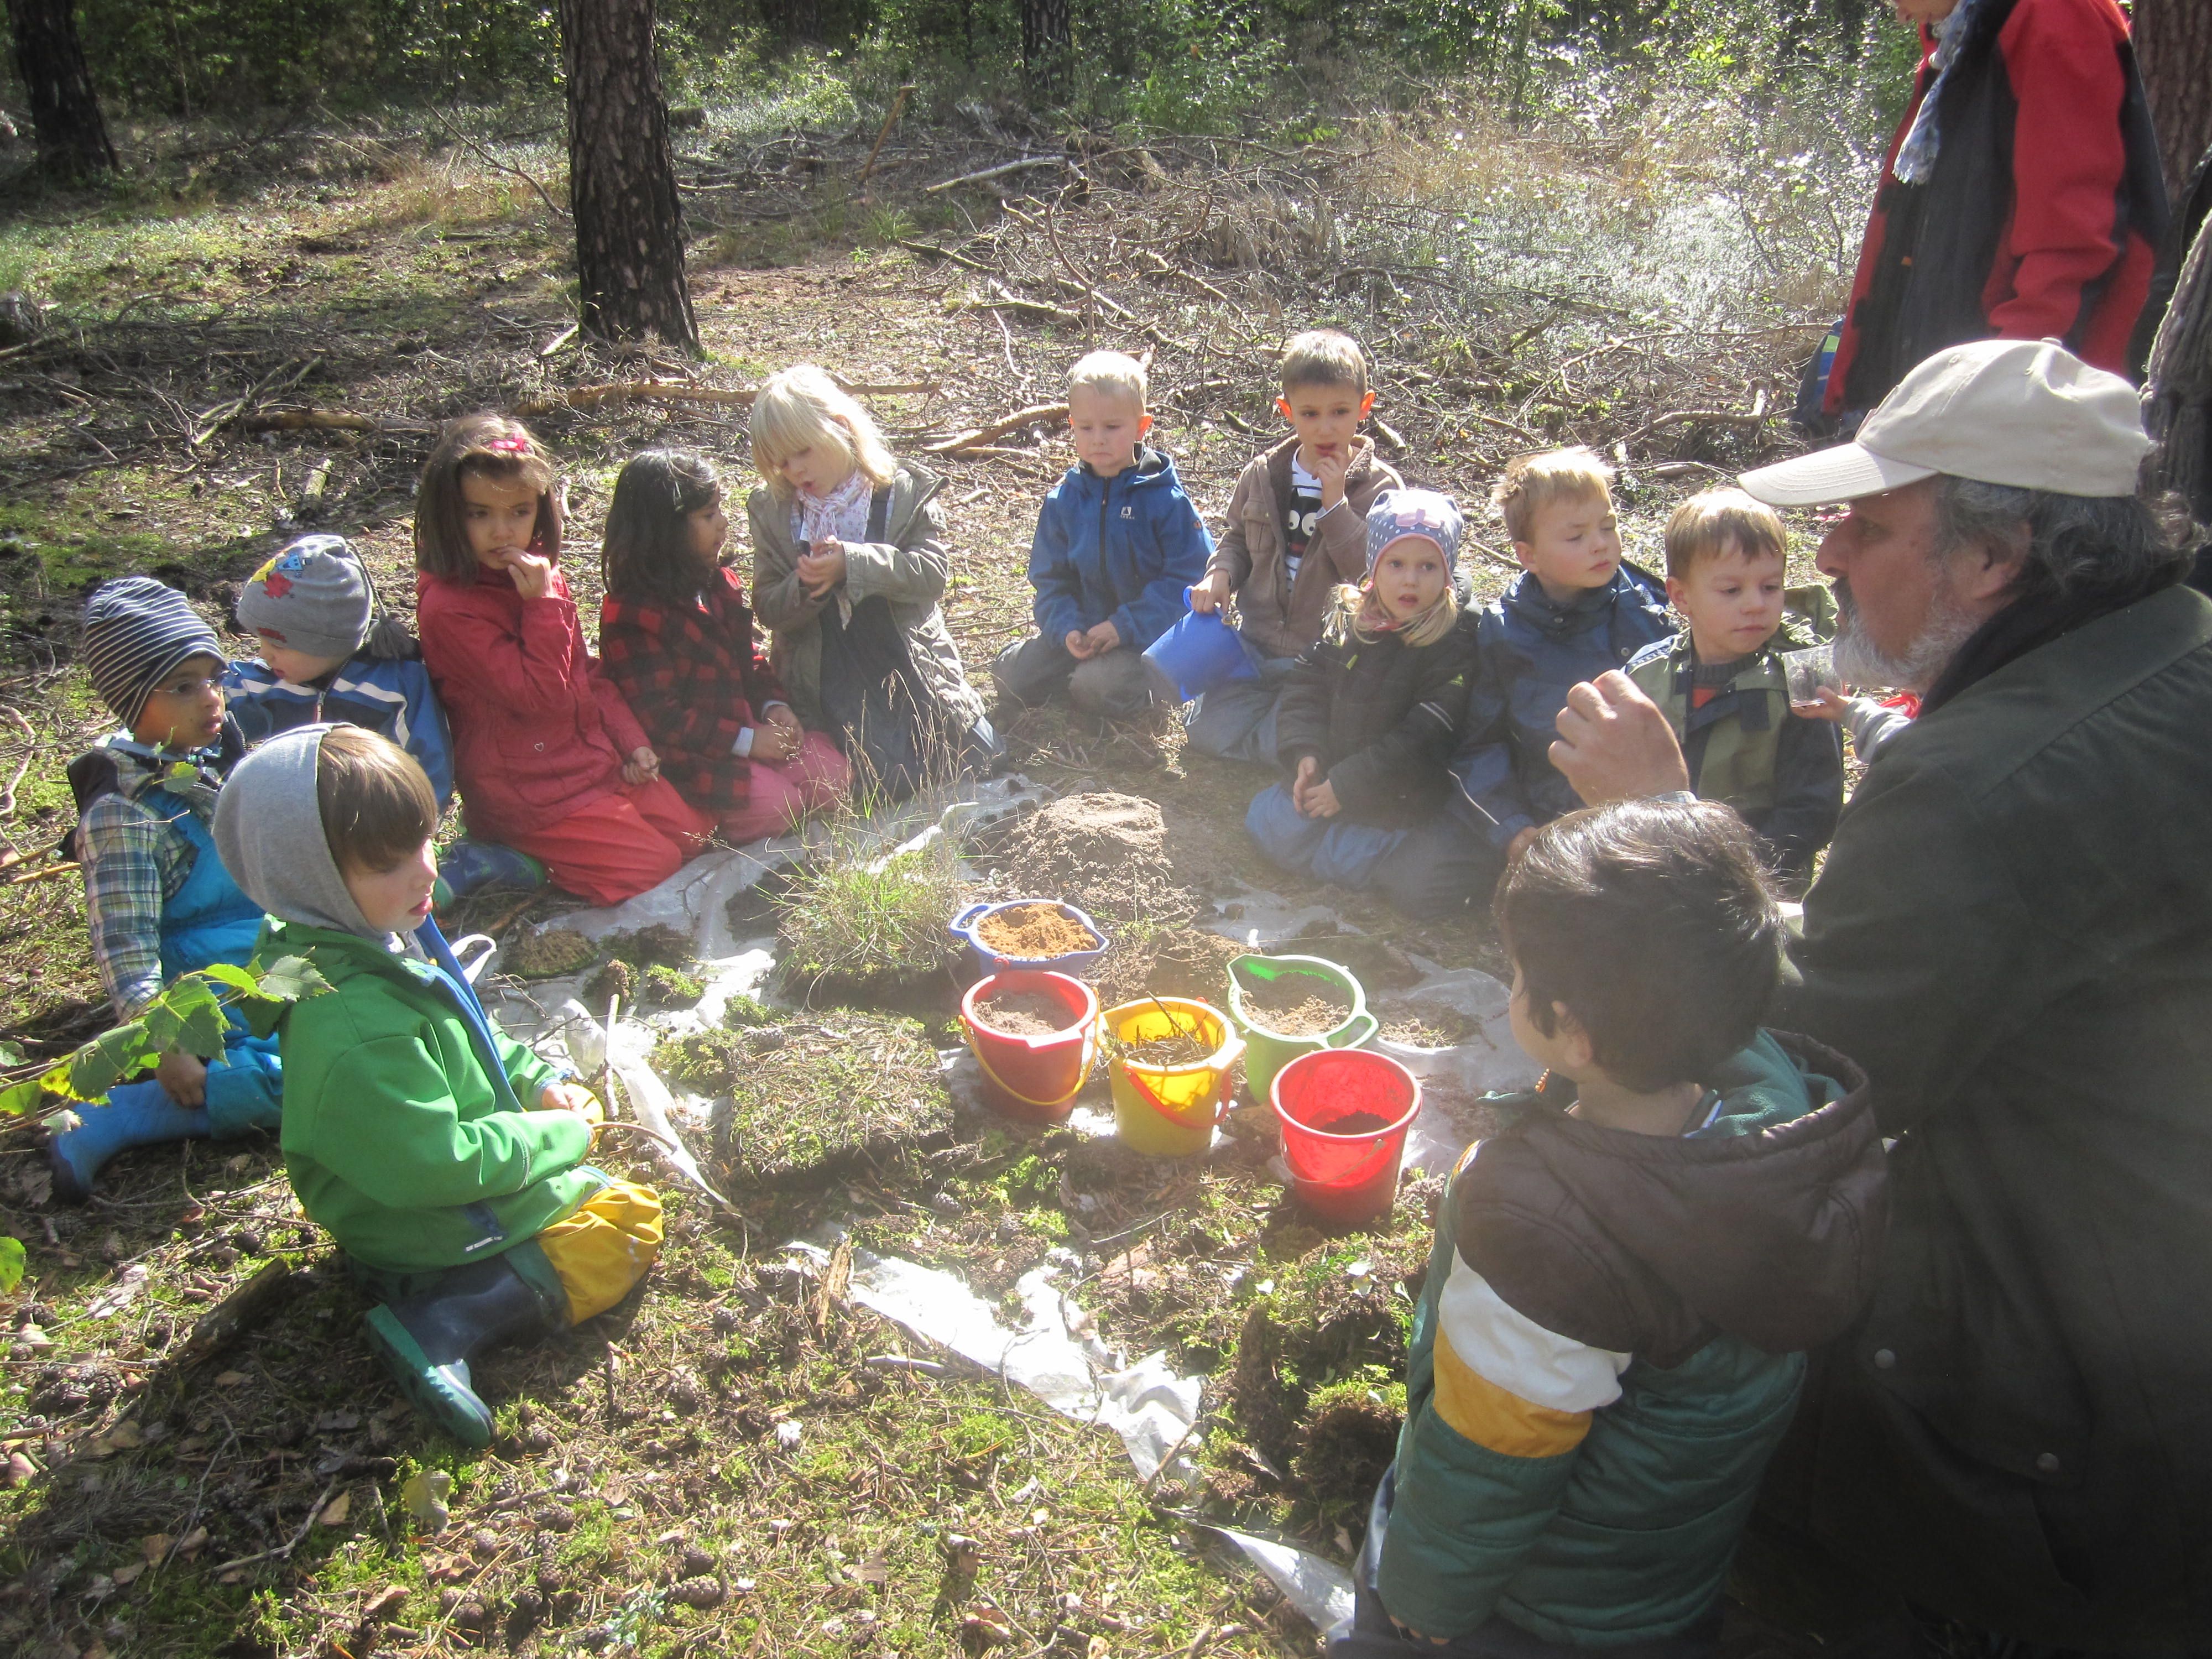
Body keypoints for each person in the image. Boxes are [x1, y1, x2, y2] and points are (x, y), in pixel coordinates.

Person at [1545, 337, 2212, 1651]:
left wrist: (1665, 821)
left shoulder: (1982, 780)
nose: (1832, 552)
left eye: (1869, 521)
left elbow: (1808, 1063)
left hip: (2066, 1409)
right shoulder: (2174, 643)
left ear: (1991, 554)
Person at [1342, 799, 1884, 1658]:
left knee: (1389, 1612)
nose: (1511, 987)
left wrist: (1425, 1593)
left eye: (1519, 976)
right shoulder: (1776, 1109)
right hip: (1660, 1576)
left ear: (1574, 1034)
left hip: (1540, 1604)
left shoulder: (1544, 1230)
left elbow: (1494, 1457)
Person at [212, 725, 661, 1448]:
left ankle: (425, 1282)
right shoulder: (357, 1022)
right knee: (624, 1221)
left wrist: (539, 1082)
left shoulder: (382, 936)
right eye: (391, 863)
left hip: (407, 1187)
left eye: (427, 842)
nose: (427, 872)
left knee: (593, 1193)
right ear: (311, 881)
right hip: (424, 1207)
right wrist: (559, 1137)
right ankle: (449, 1317)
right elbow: (437, 1160)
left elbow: (472, 1037)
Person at [1813, 0, 2167, 427]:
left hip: (2040, 399)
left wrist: (2004, 392)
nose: (1898, 15)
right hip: (1969, 382)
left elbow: (2072, 241)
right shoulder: (1964, 36)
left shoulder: (2055, 18)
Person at [45, 578, 283, 1202]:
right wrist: (169, 1038)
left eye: (212, 678)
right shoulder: (123, 815)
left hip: (267, 956)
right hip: (208, 990)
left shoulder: (212, 764)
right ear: (132, 700)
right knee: (315, 1073)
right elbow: (124, 942)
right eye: (182, 686)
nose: (209, 698)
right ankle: (126, 1114)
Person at [413, 415, 711, 907]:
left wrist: (630, 742)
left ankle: (567, 840)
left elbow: (586, 673)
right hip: (526, 790)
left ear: (541, 510)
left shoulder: (537, 577)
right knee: (651, 866)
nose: (501, 531)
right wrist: (541, 607)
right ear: (450, 514)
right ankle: (507, 856)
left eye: (519, 511)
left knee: (694, 838)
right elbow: (539, 695)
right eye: (479, 514)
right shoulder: (451, 608)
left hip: (588, 762)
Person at [1392, 449, 1671, 914]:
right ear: (1529, 556)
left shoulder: (1646, 615)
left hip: (1622, 817)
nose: (1601, 544)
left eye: (1608, 526)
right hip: (1535, 811)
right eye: (1577, 536)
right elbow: (1480, 743)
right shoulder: (1505, 631)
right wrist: (1512, 828)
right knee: (1425, 884)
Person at [746, 366, 998, 800]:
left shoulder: (900, 491)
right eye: (782, 462)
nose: (795, 470)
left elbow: (932, 575)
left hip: (908, 663)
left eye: (803, 451)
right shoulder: (775, 511)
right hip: (828, 674)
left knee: (981, 756)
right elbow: (767, 606)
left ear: (841, 428)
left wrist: (856, 564)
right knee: (885, 781)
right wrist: (804, 586)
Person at [598, 448, 850, 843]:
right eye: (708, 516)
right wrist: (748, 743)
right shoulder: (632, 615)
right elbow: (661, 718)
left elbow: (748, 659)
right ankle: (710, 818)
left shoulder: (716, 582)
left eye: (719, 510)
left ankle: (771, 782)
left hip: (743, 725)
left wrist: (774, 707)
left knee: (833, 779)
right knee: (778, 808)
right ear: (664, 530)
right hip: (693, 755)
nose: (723, 524)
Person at [1187, 328, 1404, 765]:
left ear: (1365, 406)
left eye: (1340, 412)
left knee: (1295, 730)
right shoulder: (1265, 474)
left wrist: (1335, 504)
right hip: (1258, 642)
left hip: (1327, 654)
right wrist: (1220, 574)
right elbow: (1235, 539)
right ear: (1287, 411)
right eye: (1309, 413)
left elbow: (1373, 575)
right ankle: (1282, 732)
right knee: (1205, 732)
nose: (1325, 428)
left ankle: (1289, 732)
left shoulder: (1381, 487)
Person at [1245, 489, 1475, 899]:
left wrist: (1348, 787)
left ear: (1446, 573)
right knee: (1269, 827)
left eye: (1427, 566)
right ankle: (1337, 853)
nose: (1410, 579)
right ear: (1374, 566)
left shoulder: (1455, 638)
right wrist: (1306, 752)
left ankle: (1353, 856)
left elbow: (1426, 735)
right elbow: (1307, 684)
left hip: (1395, 799)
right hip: (1332, 776)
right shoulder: (1353, 618)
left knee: (1422, 877)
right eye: (1396, 564)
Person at [1624, 489, 1843, 889]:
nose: (1755, 604)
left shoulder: (1800, 680)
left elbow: (1814, 807)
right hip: (1659, 880)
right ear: (1681, 596)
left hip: (1760, 886)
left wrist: (1742, 875)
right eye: (1731, 590)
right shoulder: (1645, 676)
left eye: (1770, 587)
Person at [991, 350, 1214, 723]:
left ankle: (1140, 688)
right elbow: (1050, 580)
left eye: (1112, 428)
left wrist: (1124, 626)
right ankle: (1078, 674)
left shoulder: (1165, 500)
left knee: (1097, 688)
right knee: (1010, 676)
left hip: (1142, 639)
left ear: (1142, 427)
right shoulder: (1065, 500)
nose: (1099, 440)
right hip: (1083, 633)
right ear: (1072, 425)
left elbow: (1189, 580)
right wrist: (1067, 630)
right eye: (1086, 428)